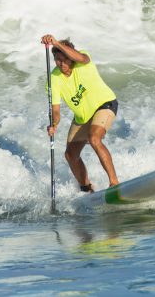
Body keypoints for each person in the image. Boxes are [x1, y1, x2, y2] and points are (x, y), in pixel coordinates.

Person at [41, 34, 120, 192]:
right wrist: (54, 124)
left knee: (94, 138)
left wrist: (55, 42)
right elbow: (55, 110)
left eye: (64, 58)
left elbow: (80, 57)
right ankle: (87, 189)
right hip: (82, 117)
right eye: (57, 59)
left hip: (104, 105)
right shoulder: (53, 79)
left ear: (71, 56)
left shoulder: (83, 61)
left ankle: (114, 183)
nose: (61, 63)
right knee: (70, 154)